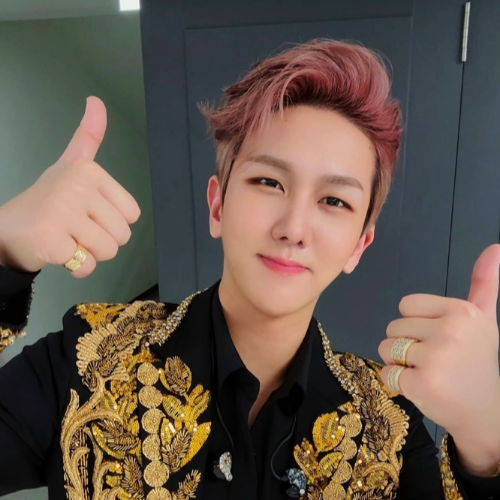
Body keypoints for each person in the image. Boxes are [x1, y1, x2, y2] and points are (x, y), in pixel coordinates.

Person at [0, 39, 499, 500]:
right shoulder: (88, 358)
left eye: (334, 200)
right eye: (268, 182)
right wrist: (4, 251)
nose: (294, 228)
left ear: (358, 246)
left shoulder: (388, 427)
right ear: (218, 205)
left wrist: (488, 440)